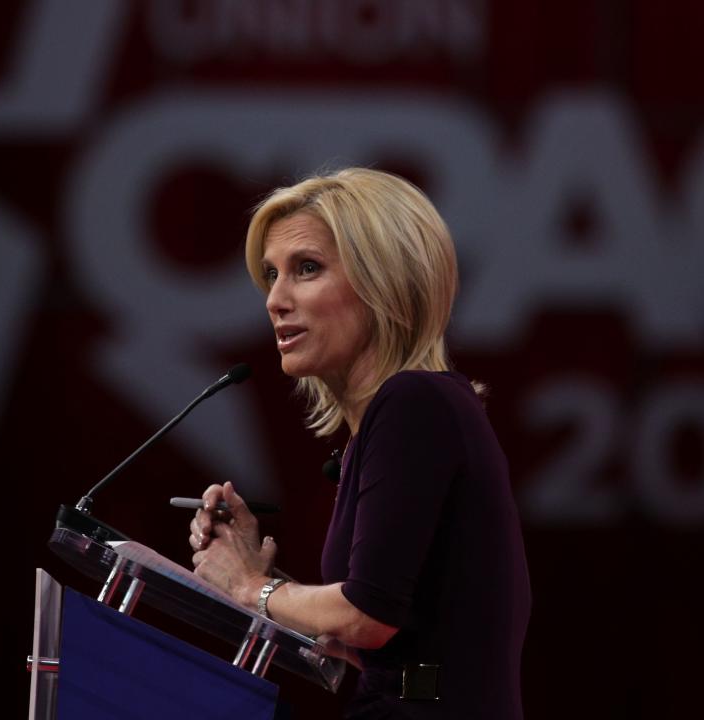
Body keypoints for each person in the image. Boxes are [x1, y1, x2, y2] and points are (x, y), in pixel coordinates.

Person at [188, 168, 531, 718]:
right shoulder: (419, 410)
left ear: (384, 282)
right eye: (271, 275)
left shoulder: (414, 402)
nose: (275, 299)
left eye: (307, 269)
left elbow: (368, 616)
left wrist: (253, 587)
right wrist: (258, 573)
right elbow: (387, 636)